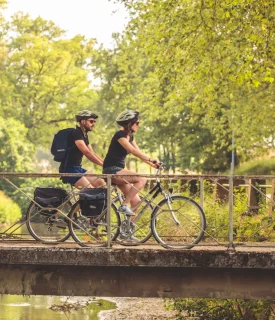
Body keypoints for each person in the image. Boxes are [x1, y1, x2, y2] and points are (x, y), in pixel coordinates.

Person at [103, 110, 160, 216]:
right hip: (111, 170)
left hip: (119, 171)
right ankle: (124, 206)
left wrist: (153, 164)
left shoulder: (130, 136)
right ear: (129, 123)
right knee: (142, 178)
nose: (139, 125)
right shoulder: (120, 135)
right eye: (137, 123)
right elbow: (132, 151)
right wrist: (151, 158)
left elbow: (138, 152)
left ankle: (128, 231)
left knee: (136, 202)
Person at [60, 110, 105, 189]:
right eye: (91, 121)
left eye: (94, 122)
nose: (93, 124)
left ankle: (88, 201)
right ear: (83, 121)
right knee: (90, 191)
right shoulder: (76, 133)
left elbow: (92, 153)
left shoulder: (84, 135)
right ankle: (87, 200)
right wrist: (103, 165)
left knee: (100, 183)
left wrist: (106, 164)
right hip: (68, 170)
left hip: (78, 168)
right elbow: (87, 153)